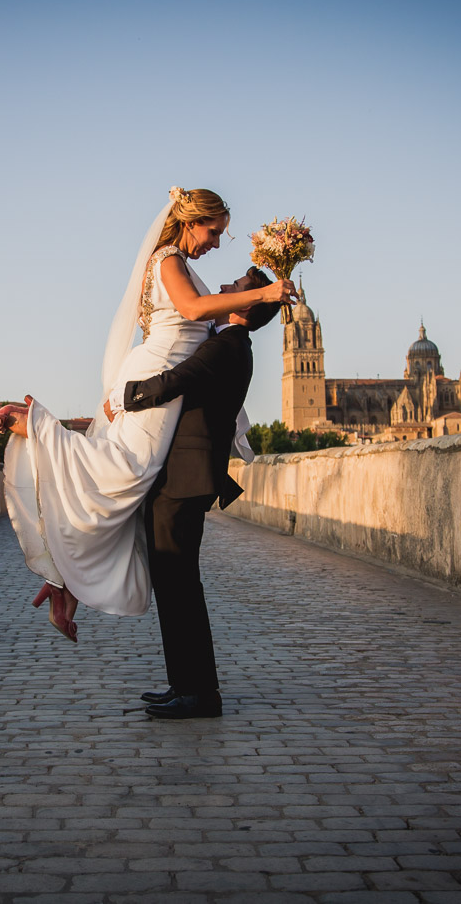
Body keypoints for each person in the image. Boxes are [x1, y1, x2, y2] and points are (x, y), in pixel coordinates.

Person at [0, 188, 294, 641]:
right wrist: (265, 290)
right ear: (191, 222)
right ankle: (34, 425)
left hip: (154, 380)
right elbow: (191, 311)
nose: (216, 243)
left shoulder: (183, 267)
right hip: (154, 379)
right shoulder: (168, 258)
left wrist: (267, 290)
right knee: (124, 472)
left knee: (129, 493)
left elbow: (221, 323)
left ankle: (64, 582)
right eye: (214, 231)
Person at [113, 268, 280, 718]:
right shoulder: (229, 344)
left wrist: (126, 396)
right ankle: (185, 683)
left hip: (185, 481)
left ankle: (200, 693)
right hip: (184, 479)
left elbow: (176, 379)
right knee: (174, 584)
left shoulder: (227, 346)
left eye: (232, 290)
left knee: (181, 585)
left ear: (242, 308)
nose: (221, 289)